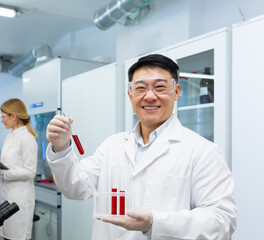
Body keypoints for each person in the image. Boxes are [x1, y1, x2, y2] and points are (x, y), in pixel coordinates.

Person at [45, 54, 237, 240]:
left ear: (176, 92)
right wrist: (61, 147)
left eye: (160, 87)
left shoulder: (202, 150)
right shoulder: (113, 145)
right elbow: (76, 187)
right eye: (141, 88)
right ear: (130, 94)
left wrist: (155, 222)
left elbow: (222, 221)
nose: (150, 96)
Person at [0, 98, 38, 240]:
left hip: (20, 199)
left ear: (14, 116)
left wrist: (2, 173)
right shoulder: (10, 136)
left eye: (3, 116)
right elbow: (8, 166)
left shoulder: (27, 139)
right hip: (6, 196)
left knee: (17, 237)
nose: (2, 120)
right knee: (7, 236)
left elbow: (30, 172)